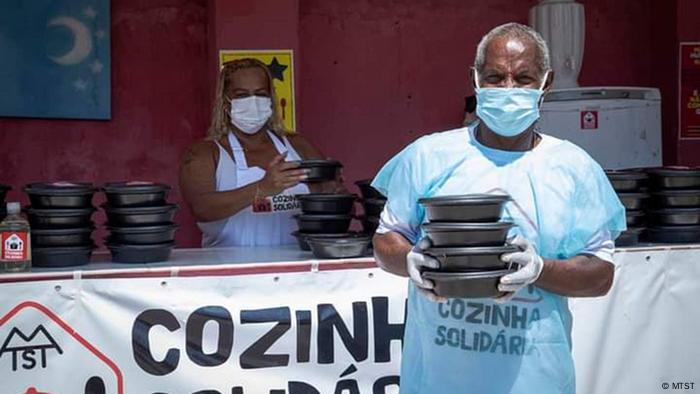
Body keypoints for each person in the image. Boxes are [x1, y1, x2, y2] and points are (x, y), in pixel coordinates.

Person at [371, 23, 625, 394]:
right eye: (494, 77)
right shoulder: (428, 156)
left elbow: (600, 274)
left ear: (546, 83)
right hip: (438, 382)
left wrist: (539, 269)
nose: (508, 90)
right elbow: (385, 242)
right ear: (474, 80)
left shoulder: (575, 168)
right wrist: (410, 260)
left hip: (536, 381)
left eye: (523, 78)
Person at [180, 58, 341, 247]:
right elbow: (201, 208)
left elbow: (332, 199)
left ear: (270, 100)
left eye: (260, 94)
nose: (253, 101)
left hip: (297, 269)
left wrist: (333, 188)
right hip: (230, 271)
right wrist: (262, 189)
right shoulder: (205, 153)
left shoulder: (299, 146)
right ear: (225, 102)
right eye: (242, 95)